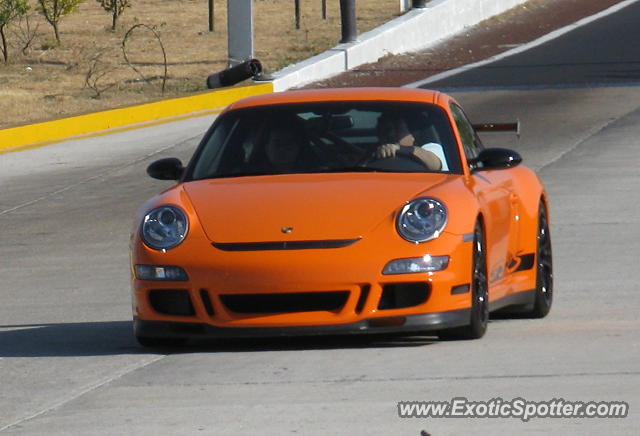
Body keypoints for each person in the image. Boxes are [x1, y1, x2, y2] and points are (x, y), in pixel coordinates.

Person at [375, 113, 446, 171]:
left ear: (413, 135)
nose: (391, 134)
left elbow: (435, 163)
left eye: (397, 129)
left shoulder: (432, 148)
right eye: (386, 130)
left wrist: (400, 149)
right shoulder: (370, 154)